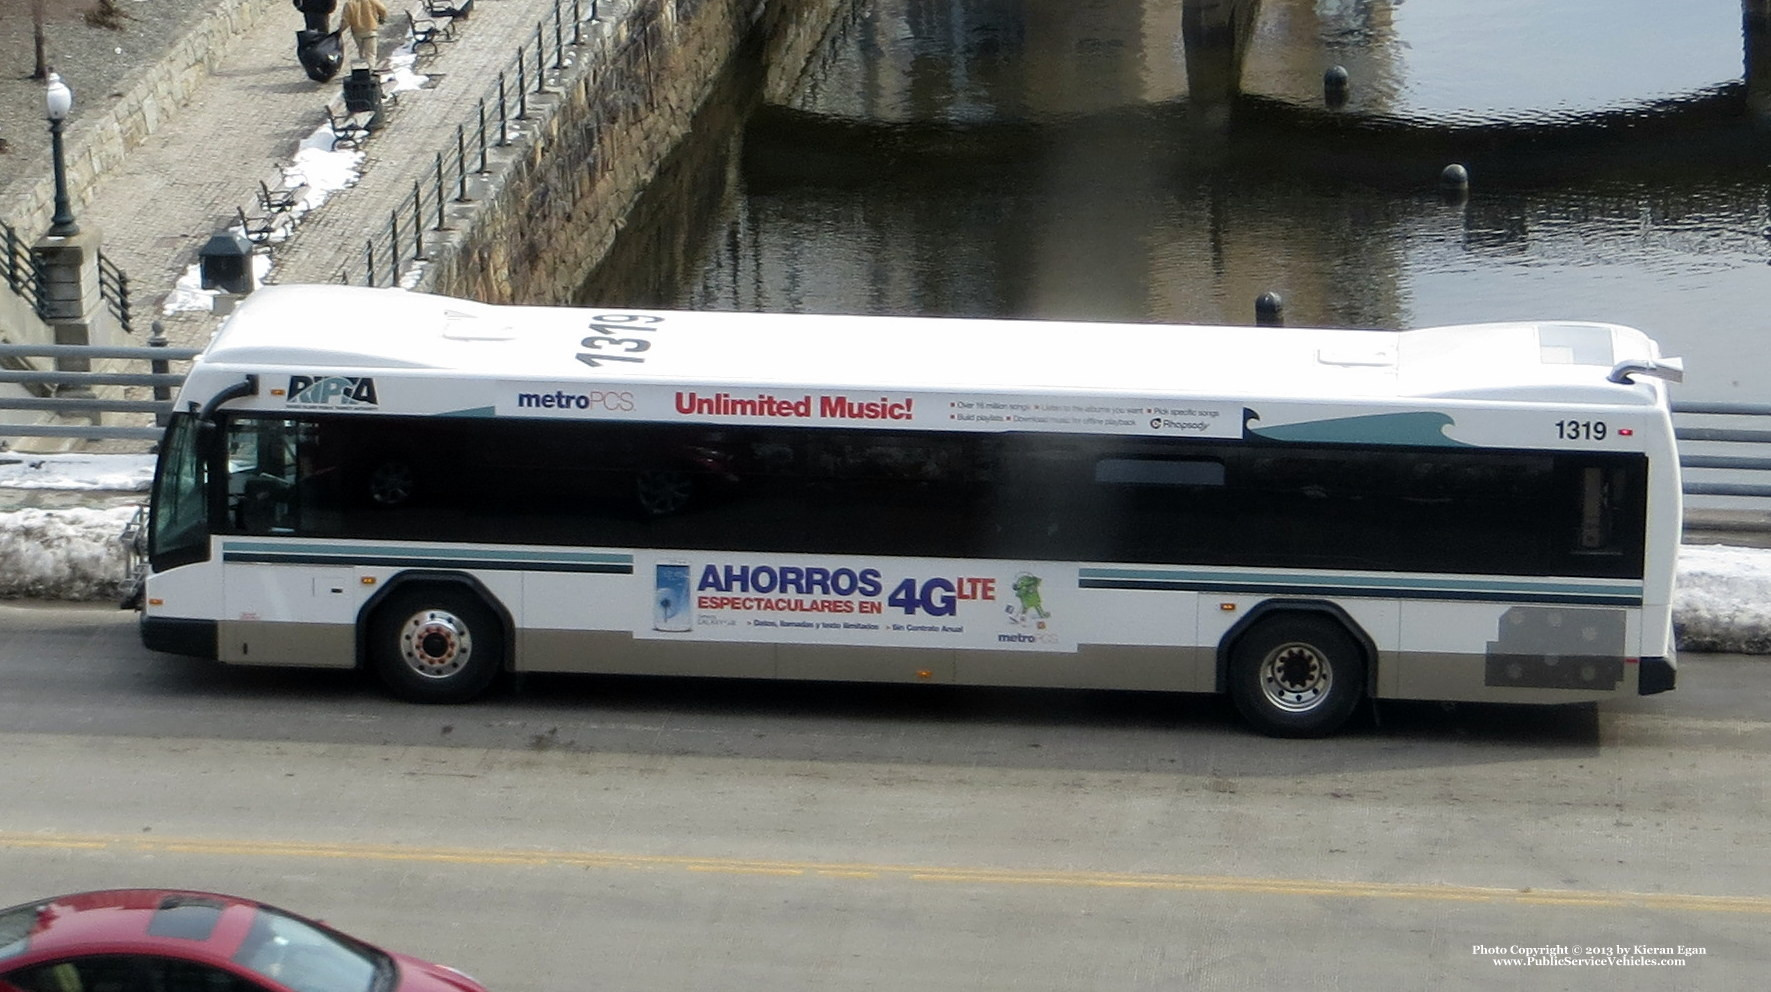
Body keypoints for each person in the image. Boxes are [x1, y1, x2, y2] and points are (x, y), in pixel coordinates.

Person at [340, 0, 389, 67]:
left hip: (357, 32)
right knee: (370, 54)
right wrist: (382, 18)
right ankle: (370, 71)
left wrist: (340, 31)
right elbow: (383, 9)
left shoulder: (349, 4)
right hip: (370, 30)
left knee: (362, 54)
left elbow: (345, 21)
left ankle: (364, 70)